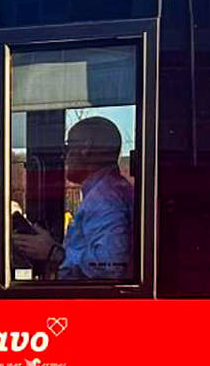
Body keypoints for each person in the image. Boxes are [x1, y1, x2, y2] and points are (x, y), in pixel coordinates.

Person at [11, 117, 134, 280]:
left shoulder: (104, 198)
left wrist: (52, 253)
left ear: (85, 148)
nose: (64, 155)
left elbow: (110, 266)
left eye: (68, 147)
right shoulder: (113, 190)